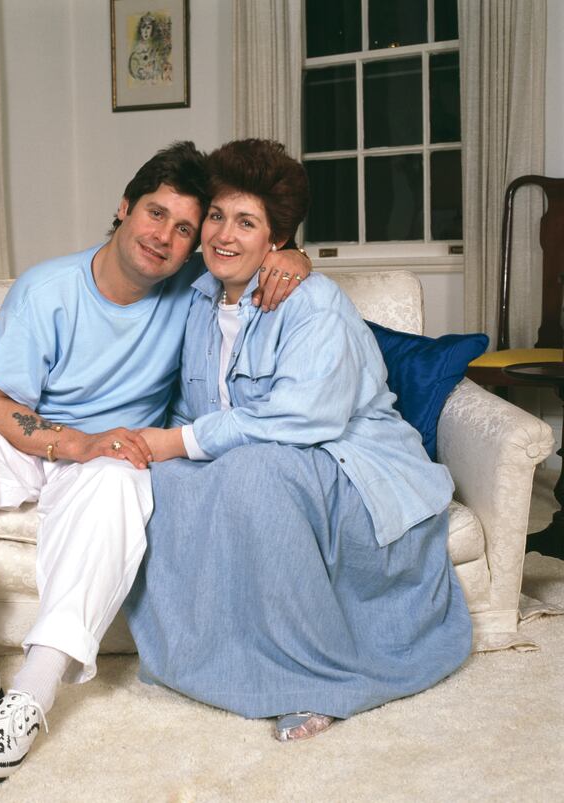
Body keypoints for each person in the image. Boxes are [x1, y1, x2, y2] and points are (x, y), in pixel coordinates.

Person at [0, 140, 310, 784]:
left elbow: (250, 258)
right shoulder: (47, 288)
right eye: (154, 213)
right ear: (123, 208)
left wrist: (293, 256)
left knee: (120, 477)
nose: (163, 237)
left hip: (106, 463)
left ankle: (30, 695)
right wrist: (75, 440)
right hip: (35, 445)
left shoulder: (194, 294)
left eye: (184, 229)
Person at [123, 138, 473, 742]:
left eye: (247, 222)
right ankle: (207, 659)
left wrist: (179, 441)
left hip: (351, 464)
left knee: (254, 472)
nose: (223, 235)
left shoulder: (314, 302)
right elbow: (191, 405)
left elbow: (303, 419)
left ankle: (316, 680)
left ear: (277, 240)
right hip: (257, 461)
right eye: (216, 216)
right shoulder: (198, 300)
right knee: (163, 480)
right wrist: (156, 447)